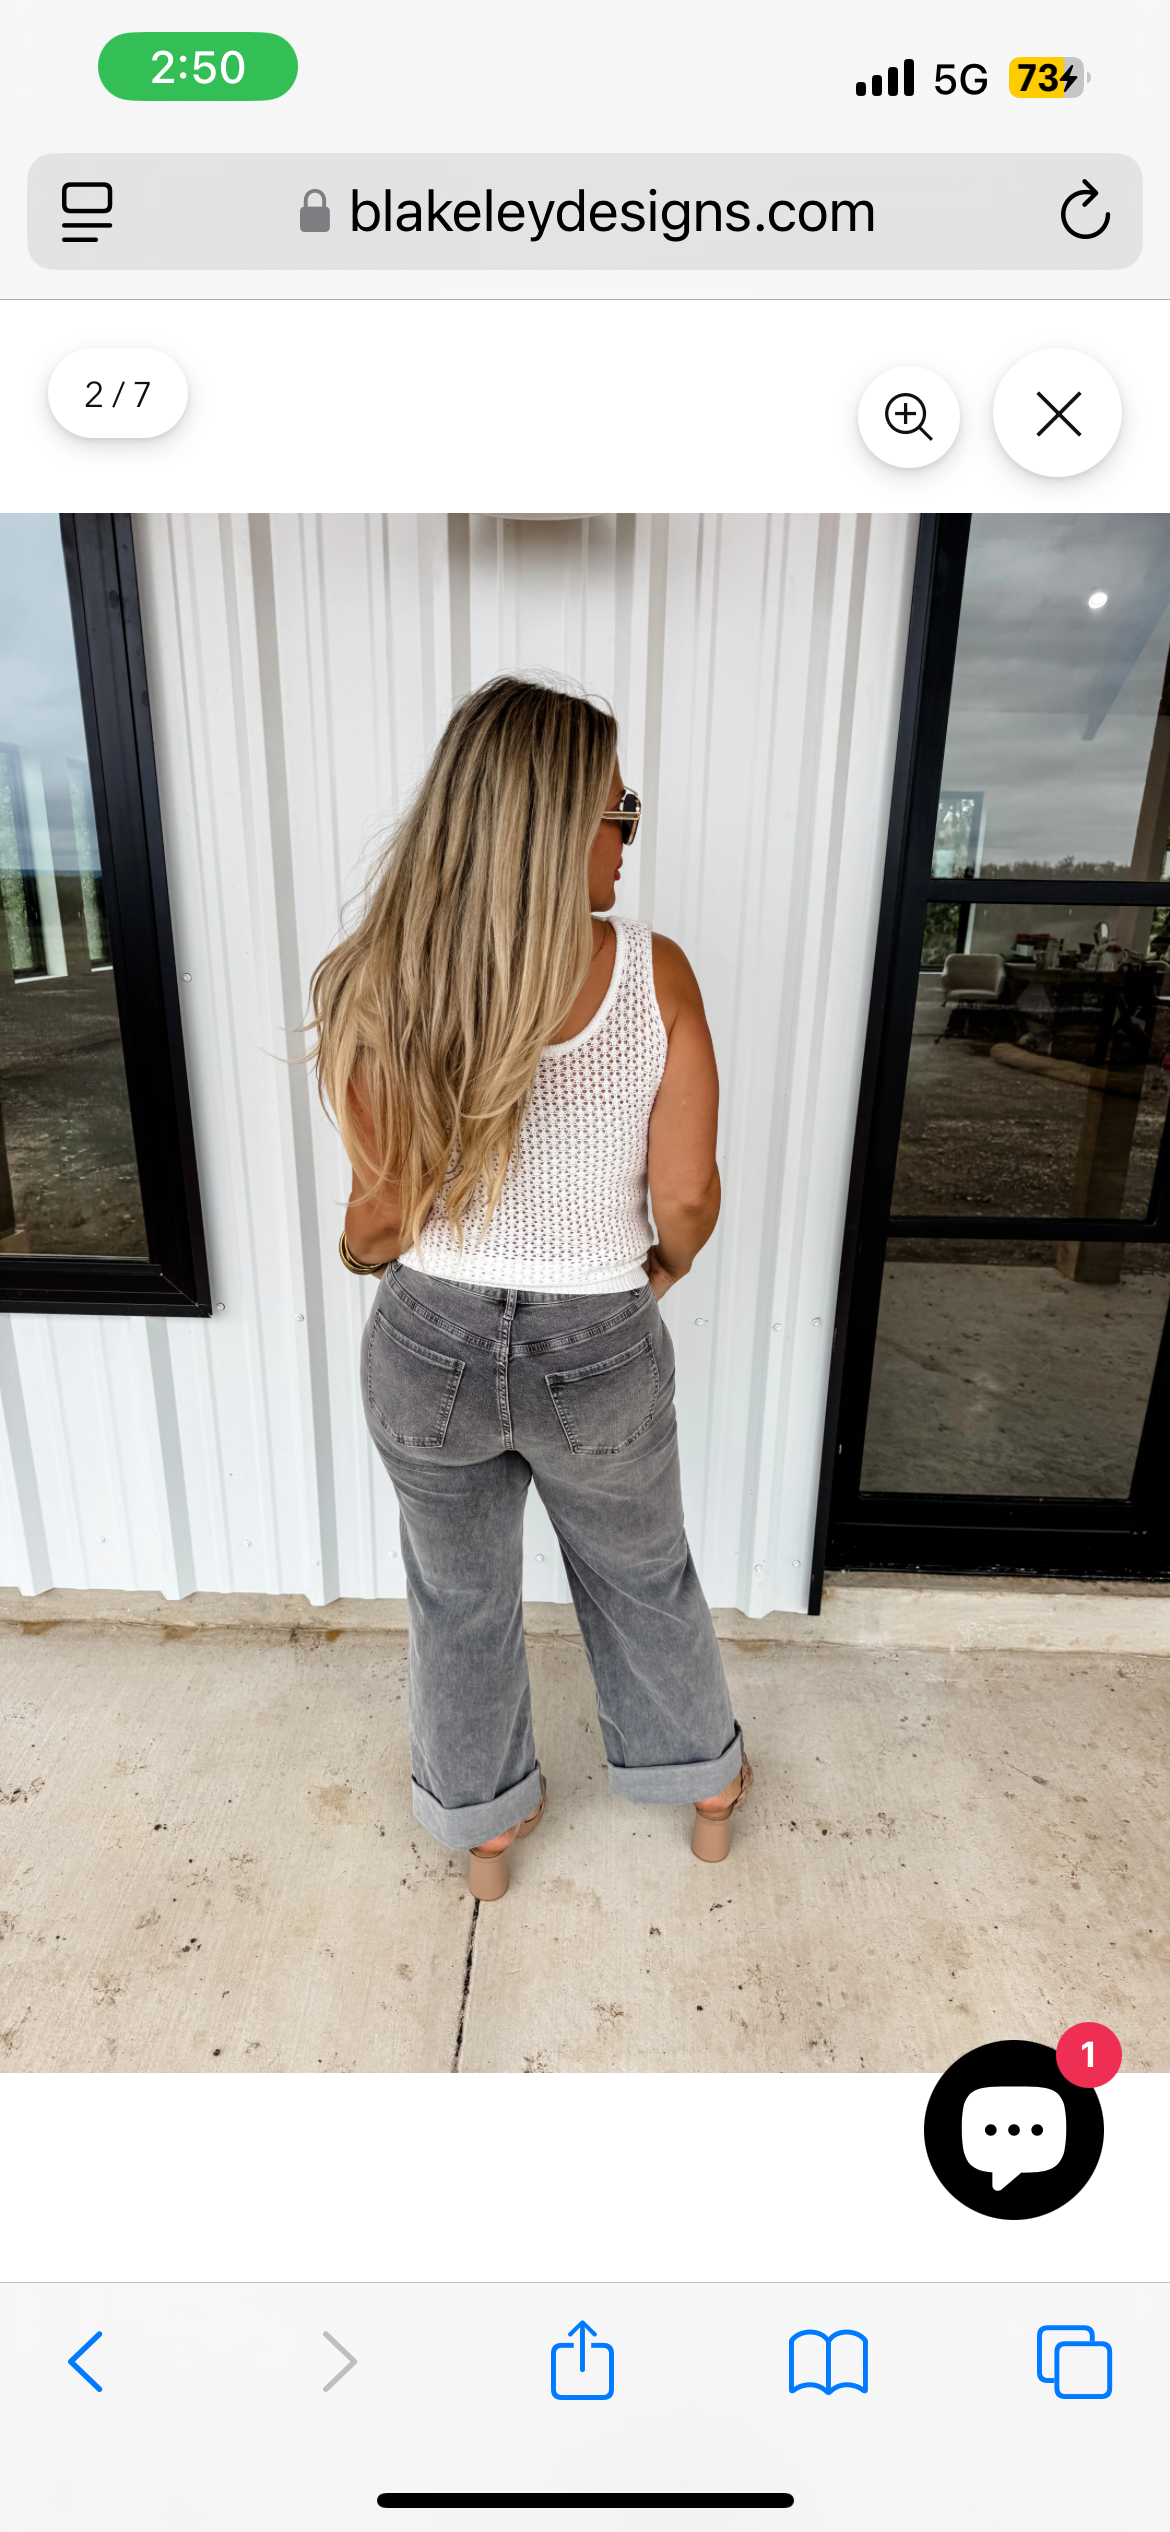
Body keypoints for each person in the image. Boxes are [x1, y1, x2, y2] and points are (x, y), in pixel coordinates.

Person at [311, 675, 750, 1901]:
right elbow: (687, 1197)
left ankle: (484, 1830)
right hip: (599, 1341)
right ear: (554, 823)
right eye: (621, 811)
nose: (630, 836)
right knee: (643, 1573)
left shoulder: (374, 981)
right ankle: (706, 1788)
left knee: (456, 1596)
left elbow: (377, 1219)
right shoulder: (653, 975)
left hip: (427, 1344)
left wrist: (367, 1254)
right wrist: (657, 1270)